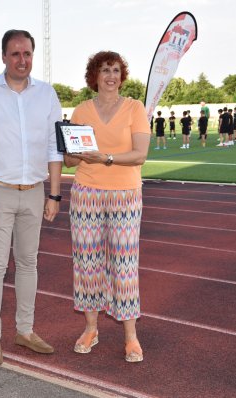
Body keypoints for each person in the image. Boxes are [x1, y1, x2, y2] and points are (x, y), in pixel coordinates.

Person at [0, 29, 62, 366]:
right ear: (4, 56)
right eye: (16, 53)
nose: (23, 60)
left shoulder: (47, 94)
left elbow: (54, 147)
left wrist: (55, 195)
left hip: (34, 192)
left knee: (28, 263)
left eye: (27, 53)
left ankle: (25, 330)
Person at [63, 51, 150, 363]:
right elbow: (70, 161)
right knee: (87, 262)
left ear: (121, 75)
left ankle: (131, 336)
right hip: (86, 192)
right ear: (94, 77)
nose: (111, 76)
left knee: (124, 266)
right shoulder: (82, 110)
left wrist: (107, 158)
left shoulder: (134, 108)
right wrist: (75, 152)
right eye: (104, 71)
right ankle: (90, 329)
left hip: (125, 193)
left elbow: (140, 154)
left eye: (115, 70)